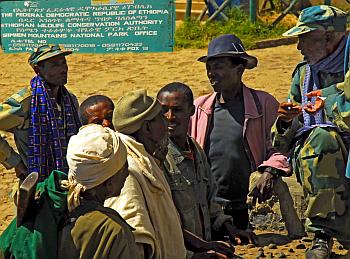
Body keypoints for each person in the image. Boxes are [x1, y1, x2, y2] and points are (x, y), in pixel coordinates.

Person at [189, 34, 304, 238]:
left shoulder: (264, 104)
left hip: (245, 207)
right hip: (209, 209)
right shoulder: (199, 108)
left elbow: (282, 147)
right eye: (209, 67)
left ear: (239, 69)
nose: (211, 73)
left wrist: (270, 171)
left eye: (219, 67)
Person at [104, 90, 234, 259]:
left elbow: (165, 226)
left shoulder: (148, 163)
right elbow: (136, 241)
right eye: (161, 117)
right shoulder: (129, 172)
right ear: (147, 127)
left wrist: (201, 246)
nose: (167, 122)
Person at [271, 5, 350, 259]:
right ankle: (322, 234)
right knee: (321, 139)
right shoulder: (304, 74)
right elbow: (282, 141)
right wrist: (285, 121)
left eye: (304, 37)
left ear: (328, 36)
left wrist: (330, 102)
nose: (298, 47)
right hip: (319, 155)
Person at [157, 82, 256, 256]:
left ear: (192, 111)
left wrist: (229, 228)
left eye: (177, 110)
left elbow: (210, 199)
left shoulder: (195, 149)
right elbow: (164, 222)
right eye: (164, 110)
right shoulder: (158, 158)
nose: (170, 117)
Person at [0, 44, 80, 182]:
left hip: (70, 180)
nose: (63, 69)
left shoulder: (70, 100)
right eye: (55, 64)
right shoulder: (25, 103)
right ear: (38, 70)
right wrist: (14, 161)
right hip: (36, 182)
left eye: (63, 62)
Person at [59, 124, 140, 258]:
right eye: (124, 166)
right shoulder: (114, 230)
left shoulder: (54, 206)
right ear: (109, 183)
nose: (127, 173)